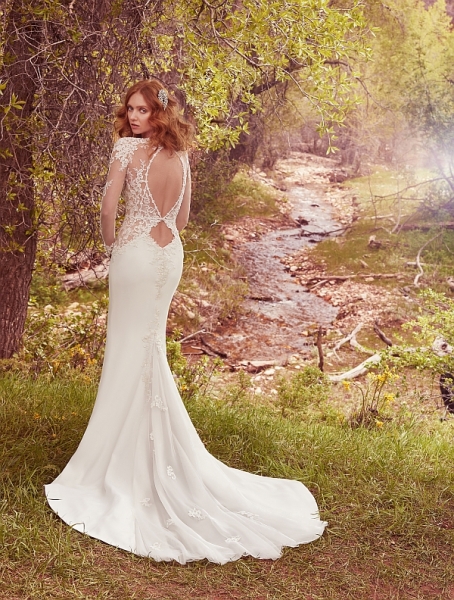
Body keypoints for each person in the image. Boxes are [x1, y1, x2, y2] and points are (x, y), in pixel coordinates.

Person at [45, 79, 327, 564]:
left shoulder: (125, 150)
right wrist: (151, 233)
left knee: (129, 347)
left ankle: (119, 457)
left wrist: (112, 243)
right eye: (131, 109)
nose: (134, 117)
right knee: (147, 347)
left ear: (159, 112)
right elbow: (182, 220)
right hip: (168, 256)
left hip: (135, 254)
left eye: (142, 109)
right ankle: (145, 446)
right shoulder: (182, 157)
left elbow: (109, 207)